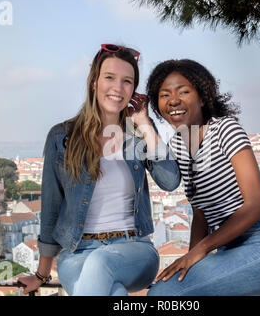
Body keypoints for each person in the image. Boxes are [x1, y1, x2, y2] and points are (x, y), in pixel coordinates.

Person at [18, 44, 180, 296]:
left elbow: (170, 181)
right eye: (109, 77)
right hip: (78, 254)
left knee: (101, 262)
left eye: (127, 81)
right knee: (113, 293)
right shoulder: (61, 137)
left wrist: (145, 124)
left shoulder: (138, 134)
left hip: (134, 251)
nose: (118, 88)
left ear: (133, 90)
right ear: (94, 82)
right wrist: (42, 274)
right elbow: (51, 207)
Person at [145, 59, 260, 296]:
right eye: (164, 95)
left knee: (164, 295)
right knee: (167, 288)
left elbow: (255, 205)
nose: (173, 100)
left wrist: (199, 251)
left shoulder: (225, 129)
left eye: (184, 91)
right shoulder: (178, 146)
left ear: (202, 98)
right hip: (226, 249)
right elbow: (201, 214)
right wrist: (190, 262)